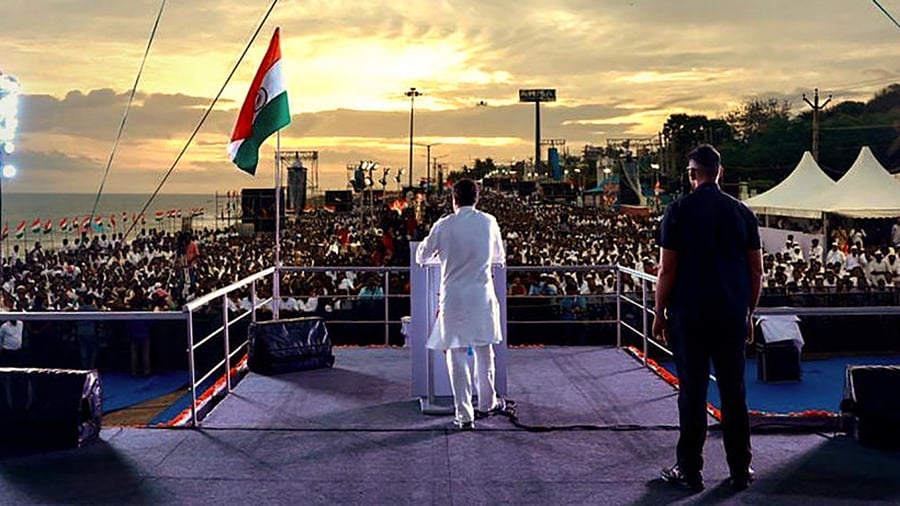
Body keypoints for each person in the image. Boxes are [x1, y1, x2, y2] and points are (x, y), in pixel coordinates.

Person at [652, 144, 762, 492]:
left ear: (691, 174)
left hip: (690, 314)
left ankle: (690, 470)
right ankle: (740, 470)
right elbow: (756, 271)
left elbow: (667, 270)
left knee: (692, 392)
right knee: (734, 392)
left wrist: (659, 313)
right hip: (731, 313)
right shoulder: (742, 213)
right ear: (720, 172)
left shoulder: (678, 210)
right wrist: (748, 312)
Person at [416, 178, 507, 430]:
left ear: (453, 199)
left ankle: (464, 415)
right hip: (482, 296)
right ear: (477, 198)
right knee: (484, 351)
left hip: (454, 297)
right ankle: (487, 404)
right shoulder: (489, 222)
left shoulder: (444, 225)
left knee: (456, 355)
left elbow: (421, 255)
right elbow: (499, 256)